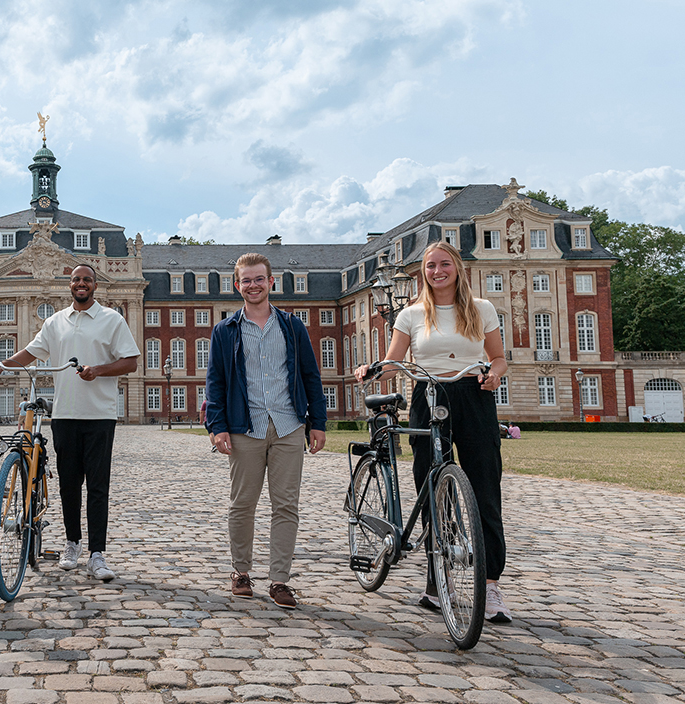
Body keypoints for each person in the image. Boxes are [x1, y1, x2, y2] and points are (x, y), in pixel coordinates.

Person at [354, 240, 512, 623]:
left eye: (444, 264)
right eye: (429, 266)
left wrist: (494, 375)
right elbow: (394, 361)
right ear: (422, 273)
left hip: (474, 395)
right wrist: (372, 369)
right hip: (428, 394)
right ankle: (436, 582)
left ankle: (490, 586)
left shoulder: (481, 309)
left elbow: (499, 357)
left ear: (456, 267)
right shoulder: (410, 314)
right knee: (430, 492)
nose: (437, 271)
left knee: (486, 490)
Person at [0, 264, 139, 582]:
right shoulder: (55, 322)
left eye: (86, 279)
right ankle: (73, 544)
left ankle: (97, 554)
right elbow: (31, 353)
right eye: (76, 280)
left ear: (95, 285)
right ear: (69, 285)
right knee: (69, 485)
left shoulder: (112, 319)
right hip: (65, 414)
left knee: (97, 487)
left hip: (100, 415)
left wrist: (97, 370)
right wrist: (2, 364)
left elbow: (130, 361)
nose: (81, 284)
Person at [205, 252, 327, 609]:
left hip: (289, 424)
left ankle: (279, 580)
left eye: (260, 279)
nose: (253, 285)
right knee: (242, 504)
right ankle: (241, 573)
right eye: (247, 280)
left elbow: (310, 375)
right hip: (245, 426)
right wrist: (218, 426)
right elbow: (215, 382)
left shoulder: (293, 326)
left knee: (286, 505)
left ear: (271, 282)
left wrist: (317, 422)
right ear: (236, 285)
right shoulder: (225, 331)